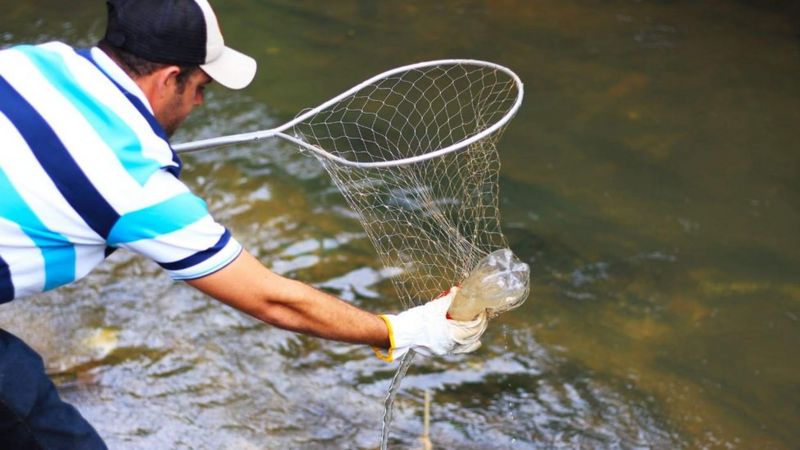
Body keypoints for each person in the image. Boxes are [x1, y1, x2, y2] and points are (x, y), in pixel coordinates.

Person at [0, 0, 488, 448]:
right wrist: (402, 330)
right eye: (200, 88)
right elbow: (272, 299)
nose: (199, 105)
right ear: (170, 78)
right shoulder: (137, 185)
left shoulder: (27, 61)